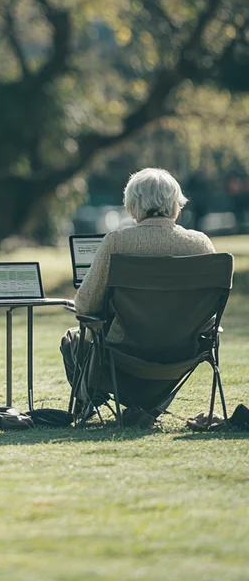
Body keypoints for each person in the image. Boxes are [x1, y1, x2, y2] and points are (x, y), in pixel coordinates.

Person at [60, 167, 216, 419]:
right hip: (182, 355)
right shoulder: (201, 245)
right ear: (176, 205)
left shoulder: (117, 242)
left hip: (124, 357)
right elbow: (209, 309)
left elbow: (85, 306)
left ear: (133, 206)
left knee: (72, 340)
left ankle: (91, 401)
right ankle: (148, 407)